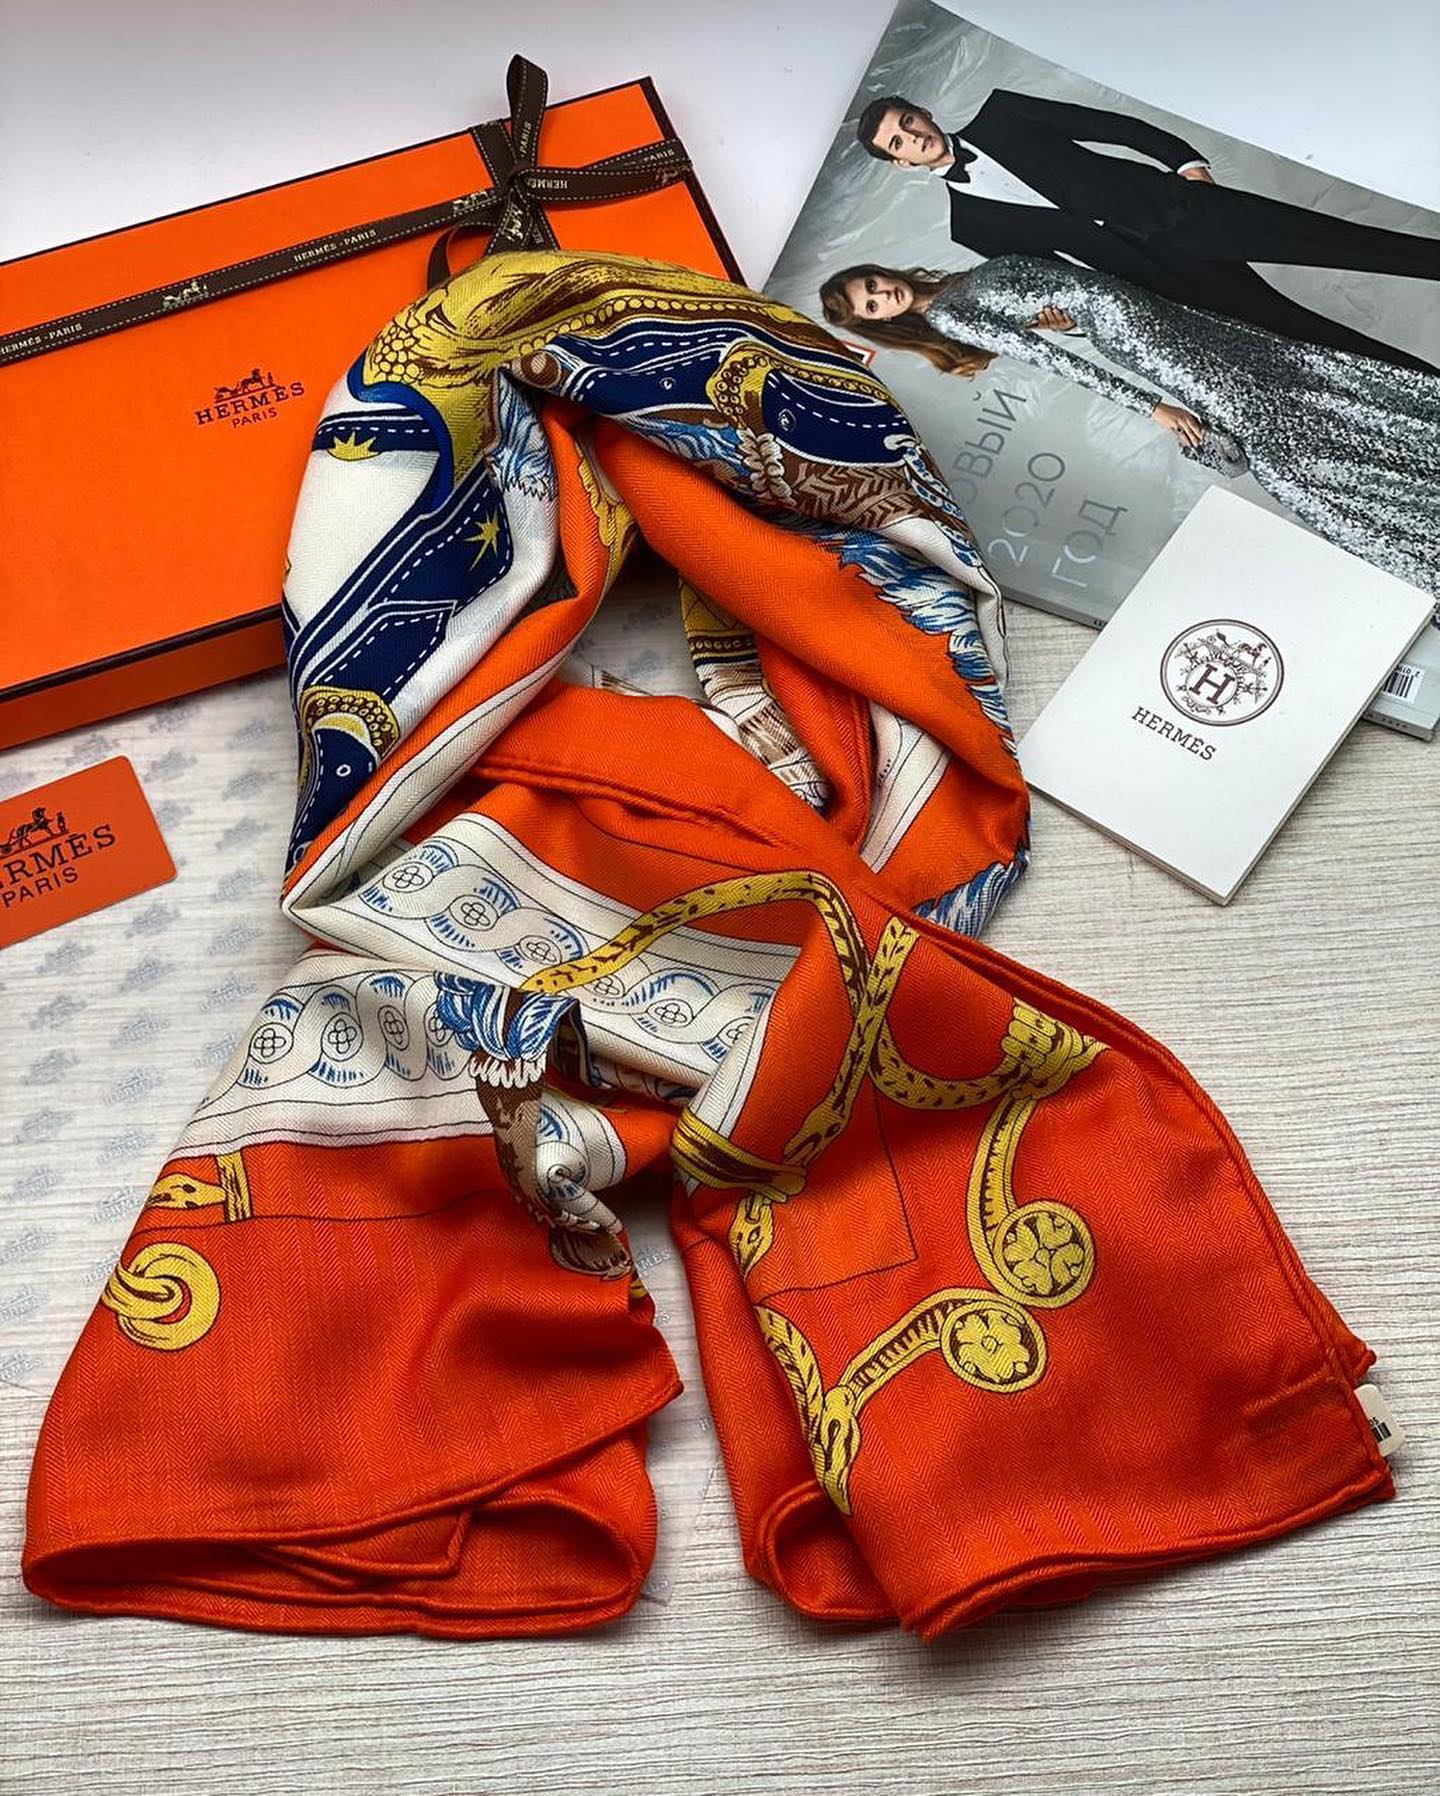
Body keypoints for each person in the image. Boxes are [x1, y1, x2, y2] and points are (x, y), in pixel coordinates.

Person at [820, 258, 1439, 594]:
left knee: (1290, 385)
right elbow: (1057, 363)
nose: (882, 296)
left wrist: (1069, 318)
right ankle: (1401, 509)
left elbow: (1055, 302)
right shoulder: (951, 318)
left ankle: (1411, 449)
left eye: (872, 284)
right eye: (871, 305)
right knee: (1275, 430)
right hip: (1148, 343)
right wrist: (1153, 407)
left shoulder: (956, 284)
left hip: (1162, 319)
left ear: (881, 271)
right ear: (878, 323)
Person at [856, 92, 1440, 373]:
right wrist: (1067, 320)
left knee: (1343, 243)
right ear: (901, 163)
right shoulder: (969, 227)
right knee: (1299, 334)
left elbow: (1112, 125)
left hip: (1186, 211)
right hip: (1159, 276)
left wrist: (1184, 162)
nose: (914, 137)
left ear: (925, 113)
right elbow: (1054, 276)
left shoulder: (1002, 114)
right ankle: (1425, 383)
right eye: (899, 142)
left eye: (909, 122)